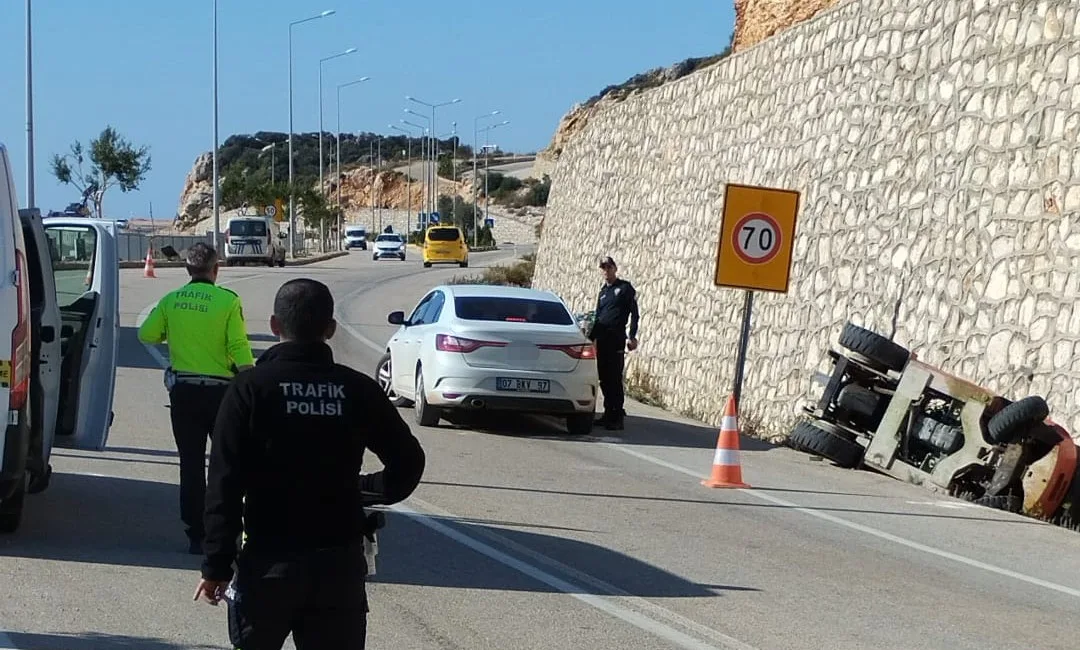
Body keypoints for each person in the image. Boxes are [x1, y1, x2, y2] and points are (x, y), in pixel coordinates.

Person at [193, 278, 426, 650]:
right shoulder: (357, 389)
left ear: (274, 325)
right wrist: (364, 490)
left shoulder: (250, 388)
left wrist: (216, 565)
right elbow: (409, 462)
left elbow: (223, 482)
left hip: (268, 565)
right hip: (338, 566)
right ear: (331, 329)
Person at [138, 242, 254, 554]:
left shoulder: (171, 300)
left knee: (190, 464)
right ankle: (226, 530)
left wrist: (172, 334)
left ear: (187, 269)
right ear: (216, 269)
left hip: (185, 393)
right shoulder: (228, 301)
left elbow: (146, 335)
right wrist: (251, 378)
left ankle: (195, 533)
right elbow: (238, 346)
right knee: (225, 464)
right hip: (222, 394)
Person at [587, 256, 640, 430]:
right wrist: (589, 340)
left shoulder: (624, 288)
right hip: (602, 340)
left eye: (609, 267)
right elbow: (598, 318)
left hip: (616, 340)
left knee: (614, 378)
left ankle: (617, 416)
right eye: (603, 268)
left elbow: (634, 313)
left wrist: (632, 336)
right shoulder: (603, 292)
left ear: (615, 269)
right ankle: (608, 412)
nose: (606, 271)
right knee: (603, 378)